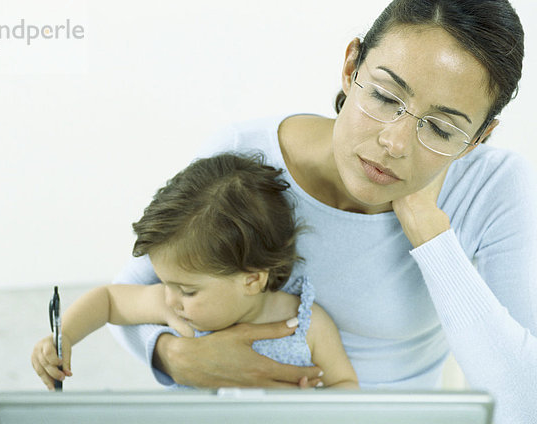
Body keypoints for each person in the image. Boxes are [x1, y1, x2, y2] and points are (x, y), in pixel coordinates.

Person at [108, 1, 537, 423]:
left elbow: (524, 401)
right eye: (387, 98)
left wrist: (431, 233)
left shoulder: (494, 187)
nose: (396, 143)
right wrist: (175, 357)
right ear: (352, 67)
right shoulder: (244, 157)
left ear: (480, 136)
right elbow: (125, 294)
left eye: (442, 129)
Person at [31, 153, 359, 391]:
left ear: (252, 279)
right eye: (165, 283)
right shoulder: (172, 307)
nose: (171, 299)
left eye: (188, 291)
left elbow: (345, 384)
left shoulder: (307, 324)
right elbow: (107, 300)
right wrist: (65, 337)